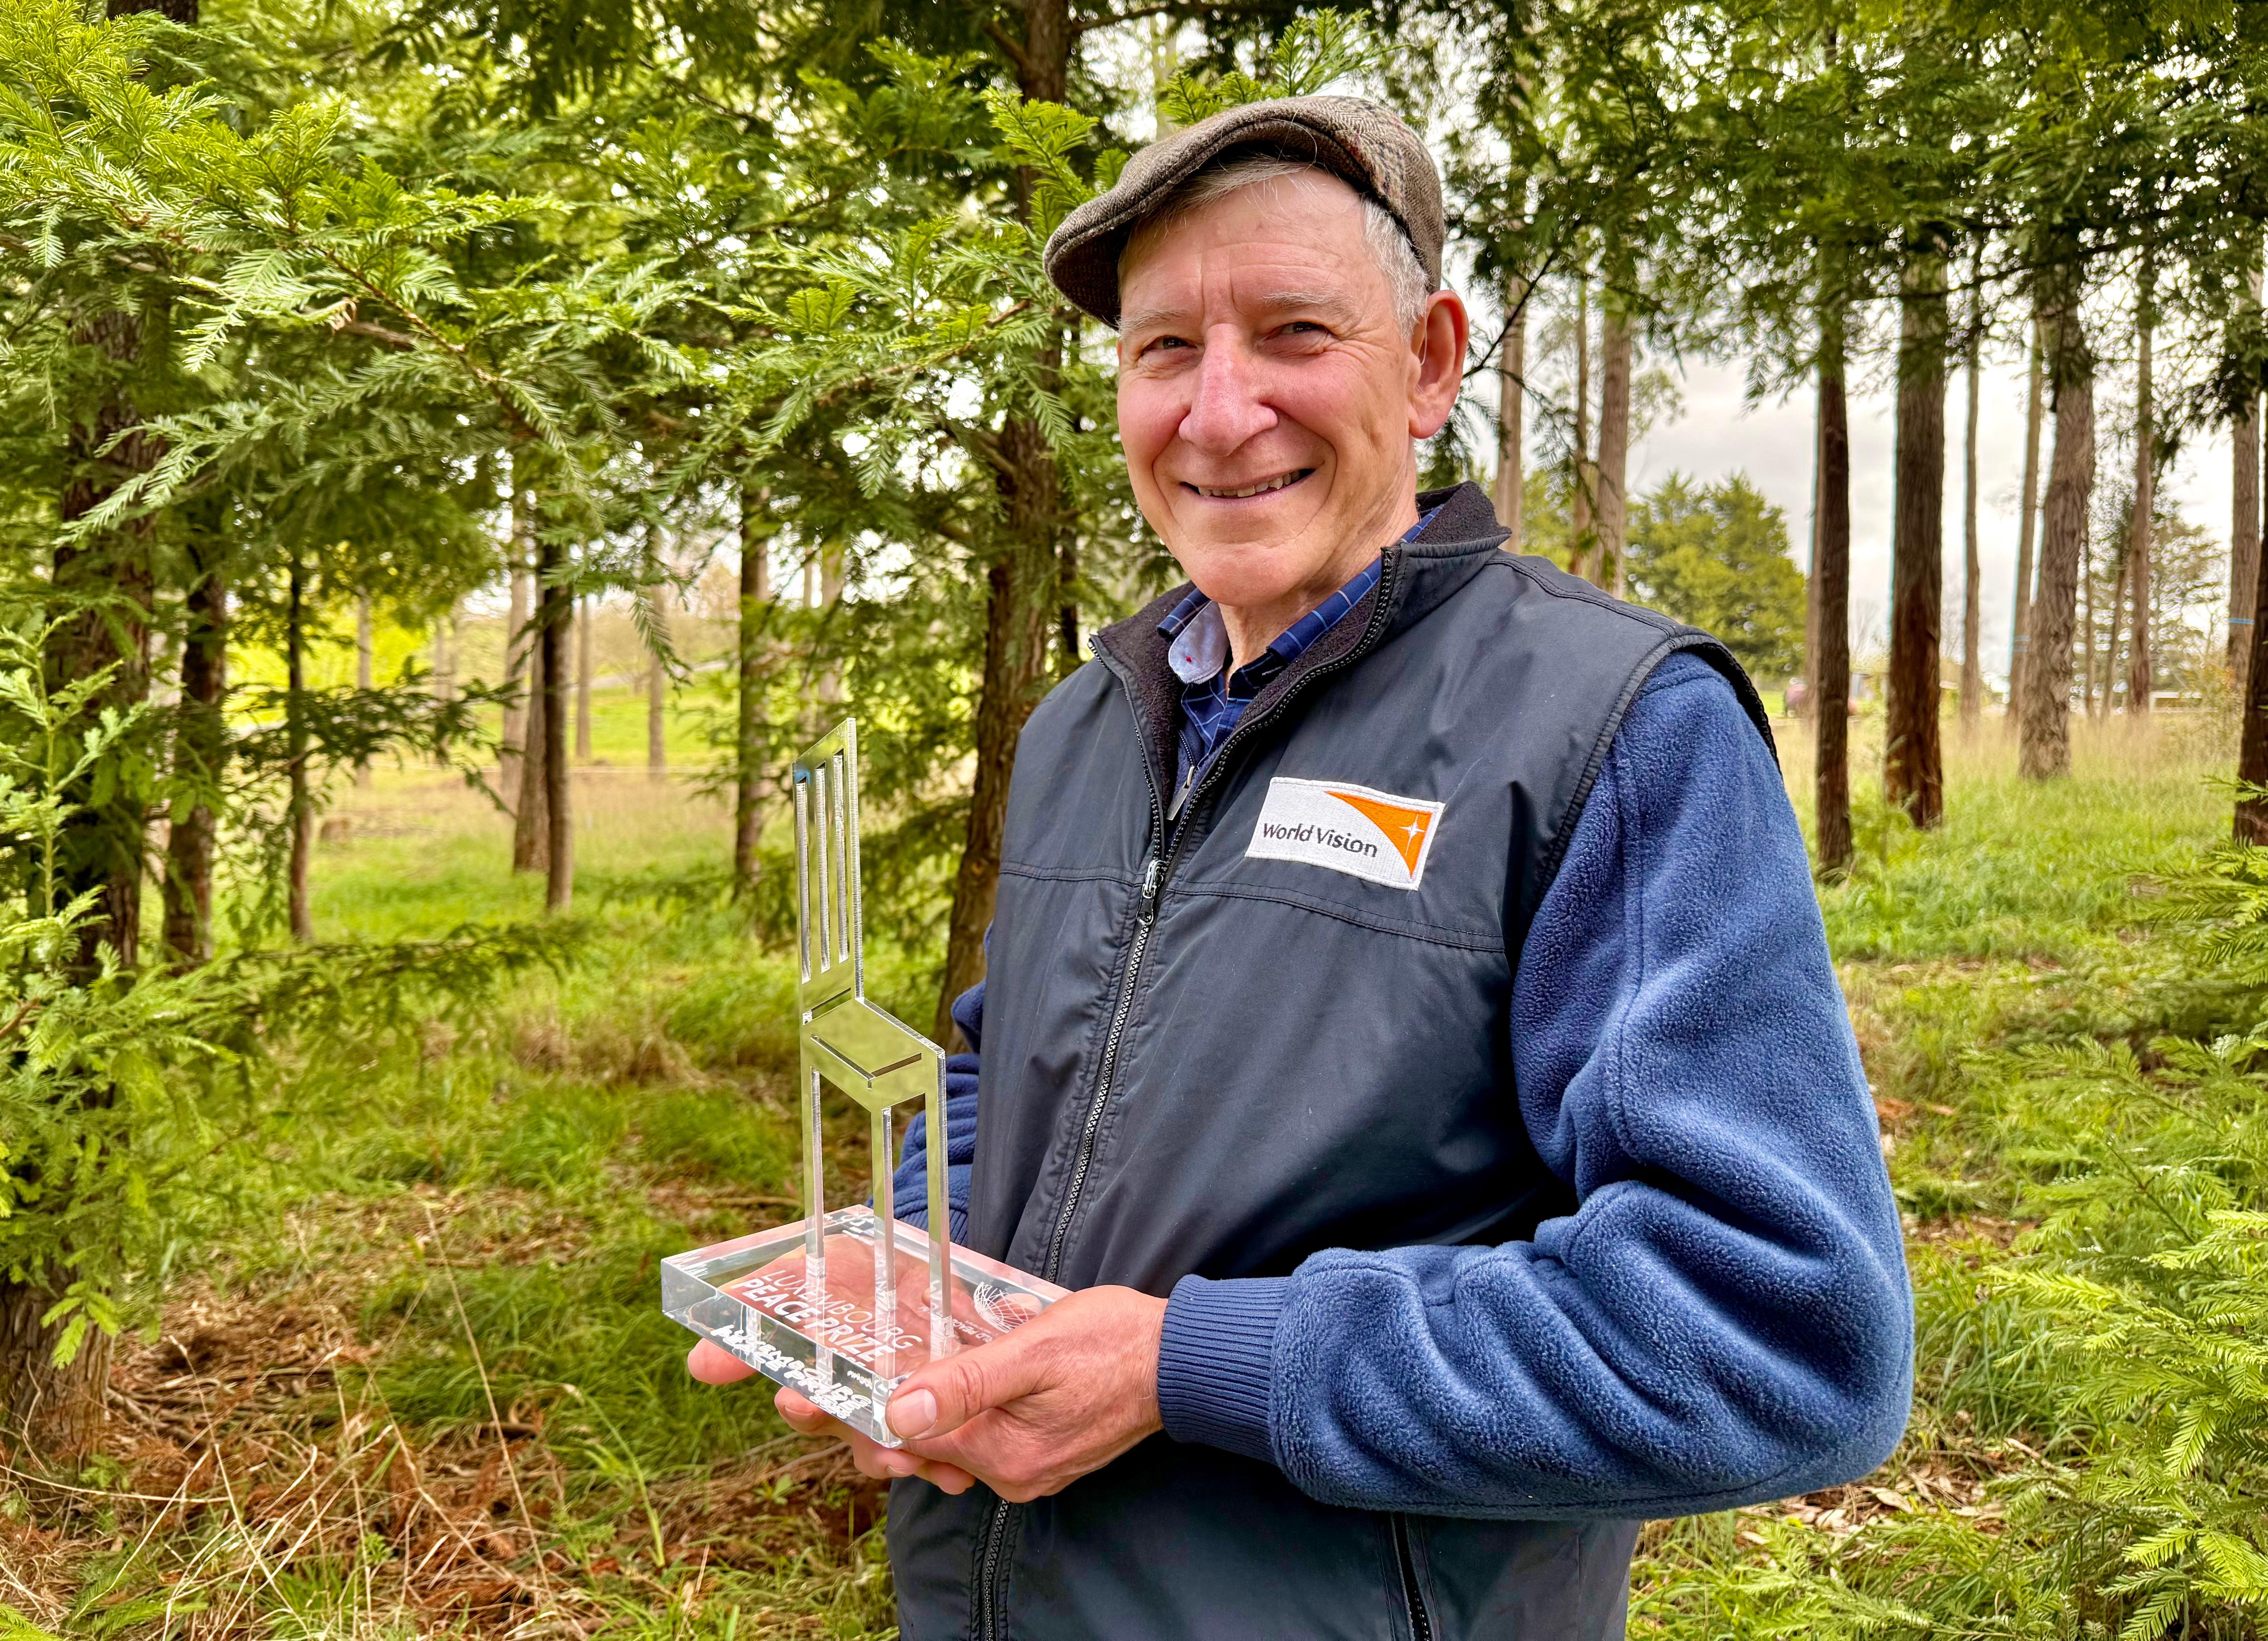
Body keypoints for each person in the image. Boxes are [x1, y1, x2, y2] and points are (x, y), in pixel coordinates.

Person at [689, 95, 1911, 1639]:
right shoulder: (1091, 721)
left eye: (1293, 332)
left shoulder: (1608, 728)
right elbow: (1006, 1072)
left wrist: (1181, 1368)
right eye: (1161, 352)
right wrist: (925, 1295)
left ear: (1433, 364)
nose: (1218, 413)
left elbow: (1782, 1333)